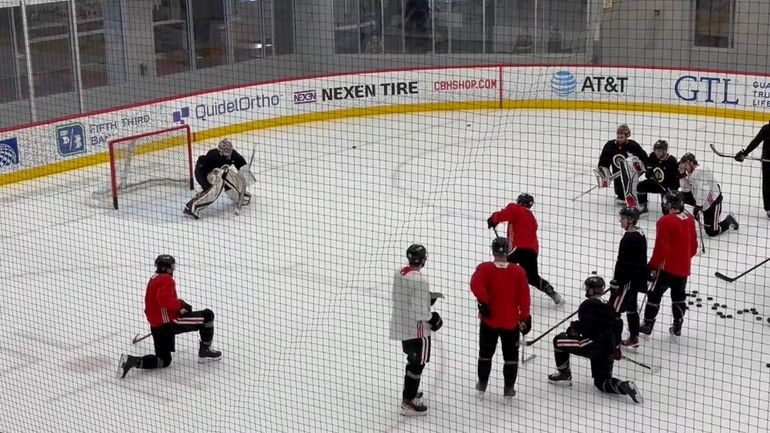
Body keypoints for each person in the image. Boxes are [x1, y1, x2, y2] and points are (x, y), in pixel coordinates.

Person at [118, 255, 222, 378]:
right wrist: (180, 305)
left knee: (163, 360)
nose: (173, 269)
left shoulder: (154, 278)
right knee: (207, 315)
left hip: (157, 326)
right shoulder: (166, 280)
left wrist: (178, 306)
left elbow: (157, 303)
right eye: (171, 266)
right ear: (165, 268)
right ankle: (205, 351)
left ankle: (131, 361)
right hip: (168, 323)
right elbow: (164, 300)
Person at [548, 275, 642, 404]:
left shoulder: (587, 305)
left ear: (592, 290)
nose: (586, 290)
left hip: (595, 345)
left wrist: (575, 328)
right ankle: (623, 386)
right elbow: (616, 325)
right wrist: (615, 348)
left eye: (587, 288)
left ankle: (564, 374)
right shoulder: (609, 305)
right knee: (602, 382)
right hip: (608, 349)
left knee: (558, 340)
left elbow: (589, 329)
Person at [470, 237, 532, 400]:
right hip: (510, 322)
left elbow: (475, 285)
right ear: (508, 250)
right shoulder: (518, 271)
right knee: (511, 357)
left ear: (493, 250)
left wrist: (484, 302)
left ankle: (482, 385)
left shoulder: (484, 268)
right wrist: (525, 316)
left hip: (489, 320)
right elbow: (524, 297)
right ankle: (508, 388)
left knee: (485, 354)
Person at [389, 244, 443, 416]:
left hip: (402, 325)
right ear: (423, 260)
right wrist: (434, 317)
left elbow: (408, 298)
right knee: (417, 364)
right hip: (417, 330)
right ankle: (409, 401)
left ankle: (410, 392)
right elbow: (420, 312)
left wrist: (426, 298)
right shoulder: (420, 280)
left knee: (412, 361)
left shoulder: (400, 273)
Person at [639, 191, 698, 337]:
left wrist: (652, 265)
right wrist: (684, 259)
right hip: (683, 268)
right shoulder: (690, 220)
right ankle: (677, 325)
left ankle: (647, 324)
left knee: (654, 295)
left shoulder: (664, 221)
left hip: (665, 268)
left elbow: (661, 248)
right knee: (679, 297)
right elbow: (694, 246)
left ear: (669, 205)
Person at [487, 193, 563, 305]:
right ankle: (550, 291)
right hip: (531, 251)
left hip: (516, 248)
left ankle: (497, 294)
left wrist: (493, 219)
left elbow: (504, 214)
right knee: (532, 277)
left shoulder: (516, 208)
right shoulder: (532, 218)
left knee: (502, 268)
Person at [184, 138, 253, 219]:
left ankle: (240, 195)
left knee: (228, 175)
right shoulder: (213, 155)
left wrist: (246, 174)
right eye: (225, 152)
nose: (228, 153)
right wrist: (206, 186)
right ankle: (191, 206)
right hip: (204, 174)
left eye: (229, 151)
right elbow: (202, 172)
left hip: (219, 175)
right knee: (214, 190)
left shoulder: (232, 154)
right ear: (220, 151)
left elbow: (241, 163)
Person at [610, 207, 648, 349]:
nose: (620, 221)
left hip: (626, 282)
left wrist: (617, 282)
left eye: (623, 218)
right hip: (636, 280)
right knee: (631, 308)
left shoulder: (628, 239)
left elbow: (623, 263)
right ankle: (634, 337)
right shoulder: (640, 233)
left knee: (614, 311)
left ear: (631, 220)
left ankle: (614, 342)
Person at [679, 152, 739, 237]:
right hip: (701, 201)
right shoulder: (691, 172)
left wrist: (698, 206)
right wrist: (682, 175)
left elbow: (704, 190)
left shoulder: (700, 171)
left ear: (691, 162)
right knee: (679, 197)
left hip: (713, 202)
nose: (684, 167)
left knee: (712, 232)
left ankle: (729, 220)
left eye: (685, 164)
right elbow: (686, 190)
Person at [596, 124, 650, 207]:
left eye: (621, 137)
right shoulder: (610, 145)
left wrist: (641, 169)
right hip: (617, 173)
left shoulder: (633, 146)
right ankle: (623, 194)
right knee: (620, 194)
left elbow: (644, 160)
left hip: (631, 173)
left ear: (627, 136)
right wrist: (605, 175)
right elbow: (603, 161)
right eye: (618, 137)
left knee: (632, 187)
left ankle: (637, 195)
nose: (619, 139)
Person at [734, 122, 770, 218]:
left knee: (767, 184)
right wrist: (745, 153)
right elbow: (756, 141)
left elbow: (756, 141)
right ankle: (769, 208)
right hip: (767, 161)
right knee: (767, 184)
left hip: (767, 160)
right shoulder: (767, 129)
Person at [636, 140, 680, 213]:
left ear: (665, 151)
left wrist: (671, 188)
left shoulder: (671, 161)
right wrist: (649, 171)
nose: (657, 152)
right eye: (656, 150)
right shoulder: (653, 156)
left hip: (667, 187)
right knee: (641, 186)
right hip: (656, 183)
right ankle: (642, 206)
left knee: (666, 212)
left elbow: (676, 178)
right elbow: (649, 167)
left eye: (659, 151)